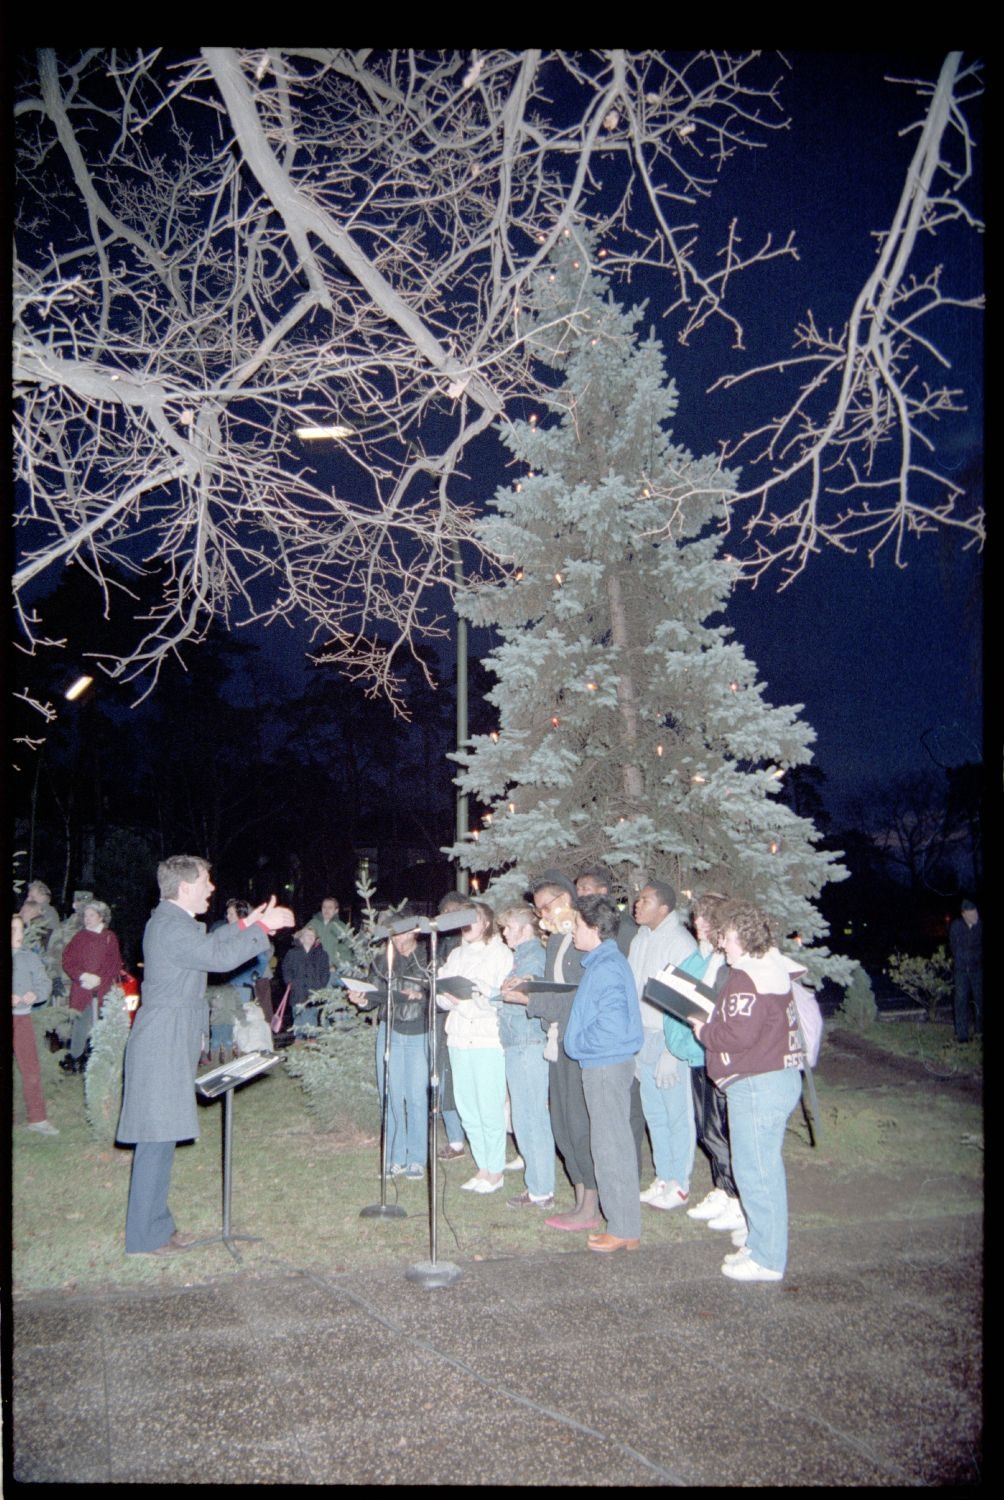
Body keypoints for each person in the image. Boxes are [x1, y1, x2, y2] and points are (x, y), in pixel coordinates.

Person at [116, 856, 293, 1256]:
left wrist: (247, 925)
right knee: (155, 1136)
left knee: (162, 1135)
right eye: (206, 883)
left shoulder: (173, 922)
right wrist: (262, 927)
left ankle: (156, 1227)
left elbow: (209, 946)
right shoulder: (168, 925)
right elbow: (216, 958)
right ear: (184, 887)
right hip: (162, 1039)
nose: (211, 889)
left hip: (170, 1035)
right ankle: (143, 1238)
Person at [689, 898, 805, 1283]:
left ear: (740, 935)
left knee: (756, 1172)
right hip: (775, 1079)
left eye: (726, 938)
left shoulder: (745, 977)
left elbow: (737, 1034)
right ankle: (760, 1244)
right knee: (762, 1169)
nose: (722, 946)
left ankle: (768, 1258)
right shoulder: (771, 966)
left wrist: (703, 1030)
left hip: (757, 1085)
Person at [514, 874, 600, 1231]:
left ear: (565, 900)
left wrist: (530, 1000)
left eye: (545, 907)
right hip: (557, 1039)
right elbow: (554, 988)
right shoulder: (556, 942)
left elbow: (578, 996)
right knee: (563, 1125)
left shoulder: (585, 940)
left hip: (579, 1041)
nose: (542, 916)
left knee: (580, 1125)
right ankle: (579, 1198)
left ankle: (591, 1205)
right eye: (538, 911)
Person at [563, 895, 644, 1252]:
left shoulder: (607, 966)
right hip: (604, 1063)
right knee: (612, 1144)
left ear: (595, 929)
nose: (573, 931)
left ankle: (623, 1228)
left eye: (578, 925)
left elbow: (612, 1026)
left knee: (610, 1147)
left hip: (605, 1065)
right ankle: (626, 1226)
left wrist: (579, 1043)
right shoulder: (603, 962)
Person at [672, 893, 745, 1235]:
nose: (699, 925)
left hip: (718, 1054)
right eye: (697, 919)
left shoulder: (729, 961)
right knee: (706, 1128)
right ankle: (722, 1187)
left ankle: (735, 1196)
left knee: (720, 1129)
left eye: (707, 920)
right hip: (699, 1051)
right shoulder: (705, 957)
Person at [627, 880, 698, 1211]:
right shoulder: (641, 938)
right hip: (643, 1035)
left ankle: (680, 1184)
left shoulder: (680, 943)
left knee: (675, 1114)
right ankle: (664, 1176)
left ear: (664, 909)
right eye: (638, 899)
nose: (637, 905)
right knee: (654, 1113)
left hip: (667, 1037)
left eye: (645, 901)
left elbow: (687, 1000)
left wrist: (673, 1050)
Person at [346, 911, 430, 1180]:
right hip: (390, 1030)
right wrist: (360, 999)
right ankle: (395, 1156)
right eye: (392, 932)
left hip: (419, 1031)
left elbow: (441, 993)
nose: (397, 938)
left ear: (413, 932)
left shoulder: (428, 957)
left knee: (416, 1096)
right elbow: (371, 996)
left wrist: (424, 994)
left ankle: (417, 1158)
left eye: (401, 932)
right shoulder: (382, 960)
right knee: (391, 1095)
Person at [436, 901, 512, 1193]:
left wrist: (464, 1004)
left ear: (486, 923)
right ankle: (482, 1167)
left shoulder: (500, 954)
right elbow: (442, 995)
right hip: (458, 1038)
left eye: (474, 919)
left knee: (489, 1107)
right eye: (463, 919)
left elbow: (498, 1001)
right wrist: (449, 999)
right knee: (467, 1106)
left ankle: (496, 1170)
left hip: (486, 1039)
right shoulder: (455, 954)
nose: (467, 925)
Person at [497, 904, 555, 1209]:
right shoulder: (521, 956)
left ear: (525, 928)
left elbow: (530, 986)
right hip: (518, 1042)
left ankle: (541, 1188)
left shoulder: (532, 955)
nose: (504, 932)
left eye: (508, 927)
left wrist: (512, 988)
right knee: (524, 1115)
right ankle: (537, 1186)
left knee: (531, 1116)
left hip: (528, 1042)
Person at [60, 899, 123, 1072]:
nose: (87, 919)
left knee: (100, 1027)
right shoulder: (79, 937)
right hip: (82, 988)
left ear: (101, 917)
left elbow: (115, 964)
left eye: (91, 915)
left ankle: (98, 1062)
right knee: (80, 1025)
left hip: (101, 991)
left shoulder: (109, 937)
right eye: (85, 915)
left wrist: (99, 979)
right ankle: (75, 1060)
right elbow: (68, 960)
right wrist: (82, 976)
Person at [12, 914, 59, 1135]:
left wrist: (36, 994)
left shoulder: (29, 958)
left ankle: (37, 1120)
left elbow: (44, 983)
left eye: (21, 930)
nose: (18, 936)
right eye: (13, 930)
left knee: (31, 1069)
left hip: (22, 1019)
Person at [434, 890, 472, 1161]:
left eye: (454, 912)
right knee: (444, 1076)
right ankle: (455, 1138)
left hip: (469, 1020)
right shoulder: (440, 940)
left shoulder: (470, 941)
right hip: (443, 1017)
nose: (448, 917)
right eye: (444, 912)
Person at [282, 925, 331, 1037]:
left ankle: (311, 1046)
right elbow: (286, 969)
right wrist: (290, 982)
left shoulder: (322, 954)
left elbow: (325, 973)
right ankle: (299, 1046)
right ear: (301, 938)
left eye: (312, 935)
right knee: (298, 1022)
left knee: (311, 1022)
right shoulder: (292, 954)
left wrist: (320, 987)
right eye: (307, 935)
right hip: (297, 994)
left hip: (313, 995)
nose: (310, 937)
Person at [949, 899, 982, 1043]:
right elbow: (956, 949)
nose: (975, 916)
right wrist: (966, 961)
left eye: (976, 913)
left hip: (978, 970)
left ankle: (980, 1032)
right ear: (964, 915)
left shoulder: (980, 926)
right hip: (961, 971)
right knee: (961, 1000)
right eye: (972, 914)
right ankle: (962, 1035)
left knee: (980, 1001)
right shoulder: (956, 927)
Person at [308, 897, 355, 969]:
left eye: (330, 907)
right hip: (314, 967)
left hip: (332, 968)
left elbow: (350, 948)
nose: (326, 910)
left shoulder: (341, 927)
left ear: (336, 910)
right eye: (324, 907)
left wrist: (337, 965)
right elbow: (300, 940)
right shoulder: (314, 922)